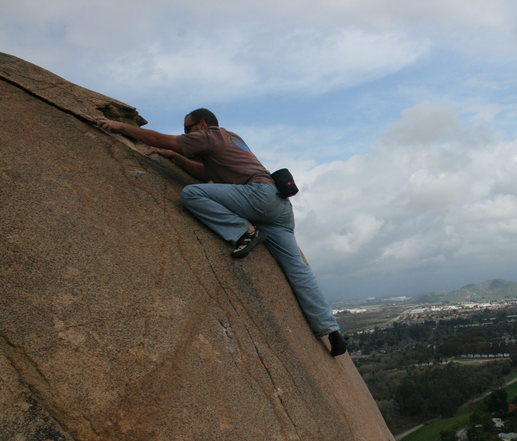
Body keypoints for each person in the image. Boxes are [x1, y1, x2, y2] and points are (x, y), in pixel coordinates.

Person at [96, 109, 348, 356]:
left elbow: (164, 140)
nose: (185, 133)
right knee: (298, 269)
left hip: (257, 196)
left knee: (191, 193)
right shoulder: (231, 138)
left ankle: (244, 233)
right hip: (278, 205)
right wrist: (174, 157)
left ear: (203, 125)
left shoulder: (210, 135)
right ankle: (331, 331)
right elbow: (205, 173)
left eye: (188, 128)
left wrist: (121, 127)